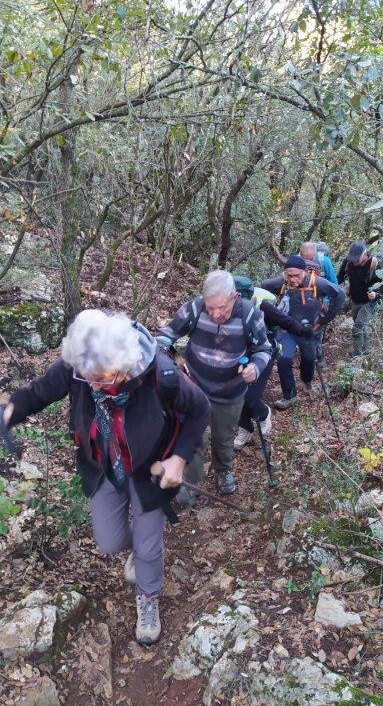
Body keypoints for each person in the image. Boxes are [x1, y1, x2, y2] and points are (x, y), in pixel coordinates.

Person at [1, 310, 210, 645]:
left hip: (150, 469)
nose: (96, 386)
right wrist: (9, 413)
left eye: (105, 378)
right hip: (103, 467)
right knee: (109, 540)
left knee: (147, 544)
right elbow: (39, 392)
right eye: (90, 378)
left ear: (126, 365)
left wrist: (179, 459)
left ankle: (148, 596)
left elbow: (200, 410)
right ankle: (142, 553)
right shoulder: (80, 366)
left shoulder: (161, 373)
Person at [157, 269, 272, 495]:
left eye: (222, 308)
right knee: (191, 436)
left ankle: (223, 469)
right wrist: (160, 354)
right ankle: (188, 483)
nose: (216, 314)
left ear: (234, 297)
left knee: (223, 436)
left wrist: (255, 368)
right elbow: (166, 334)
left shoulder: (249, 314)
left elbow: (264, 348)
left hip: (230, 391)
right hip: (194, 386)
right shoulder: (195, 307)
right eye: (211, 308)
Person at [262, 255, 345, 409]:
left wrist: (324, 319)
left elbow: (339, 294)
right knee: (283, 359)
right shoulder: (282, 283)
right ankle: (290, 396)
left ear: (305, 272)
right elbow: (262, 289)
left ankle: (306, 380)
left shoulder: (317, 283)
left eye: (296, 275)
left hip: (309, 330)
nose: (293, 279)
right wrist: (271, 313)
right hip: (286, 329)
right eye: (289, 275)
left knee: (309, 359)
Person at [234, 290, 313, 448]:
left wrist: (303, 331)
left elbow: (286, 321)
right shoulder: (221, 308)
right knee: (237, 394)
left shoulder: (263, 307)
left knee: (250, 396)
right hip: (239, 354)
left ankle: (263, 414)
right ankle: (245, 429)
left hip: (264, 354)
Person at [337, 241, 382, 356]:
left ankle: (357, 355)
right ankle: (366, 352)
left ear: (364, 254)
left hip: (369, 302)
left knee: (358, 327)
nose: (354, 261)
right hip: (355, 300)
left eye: (357, 258)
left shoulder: (374, 264)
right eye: (352, 258)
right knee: (361, 326)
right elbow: (339, 278)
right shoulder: (348, 262)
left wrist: (376, 293)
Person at [299, 242, 338, 363]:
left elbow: (334, 284)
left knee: (316, 332)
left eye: (311, 259)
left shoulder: (324, 261)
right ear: (300, 254)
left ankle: (318, 359)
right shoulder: (296, 262)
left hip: (321, 301)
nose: (308, 263)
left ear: (315, 254)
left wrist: (328, 303)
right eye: (306, 259)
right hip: (301, 300)